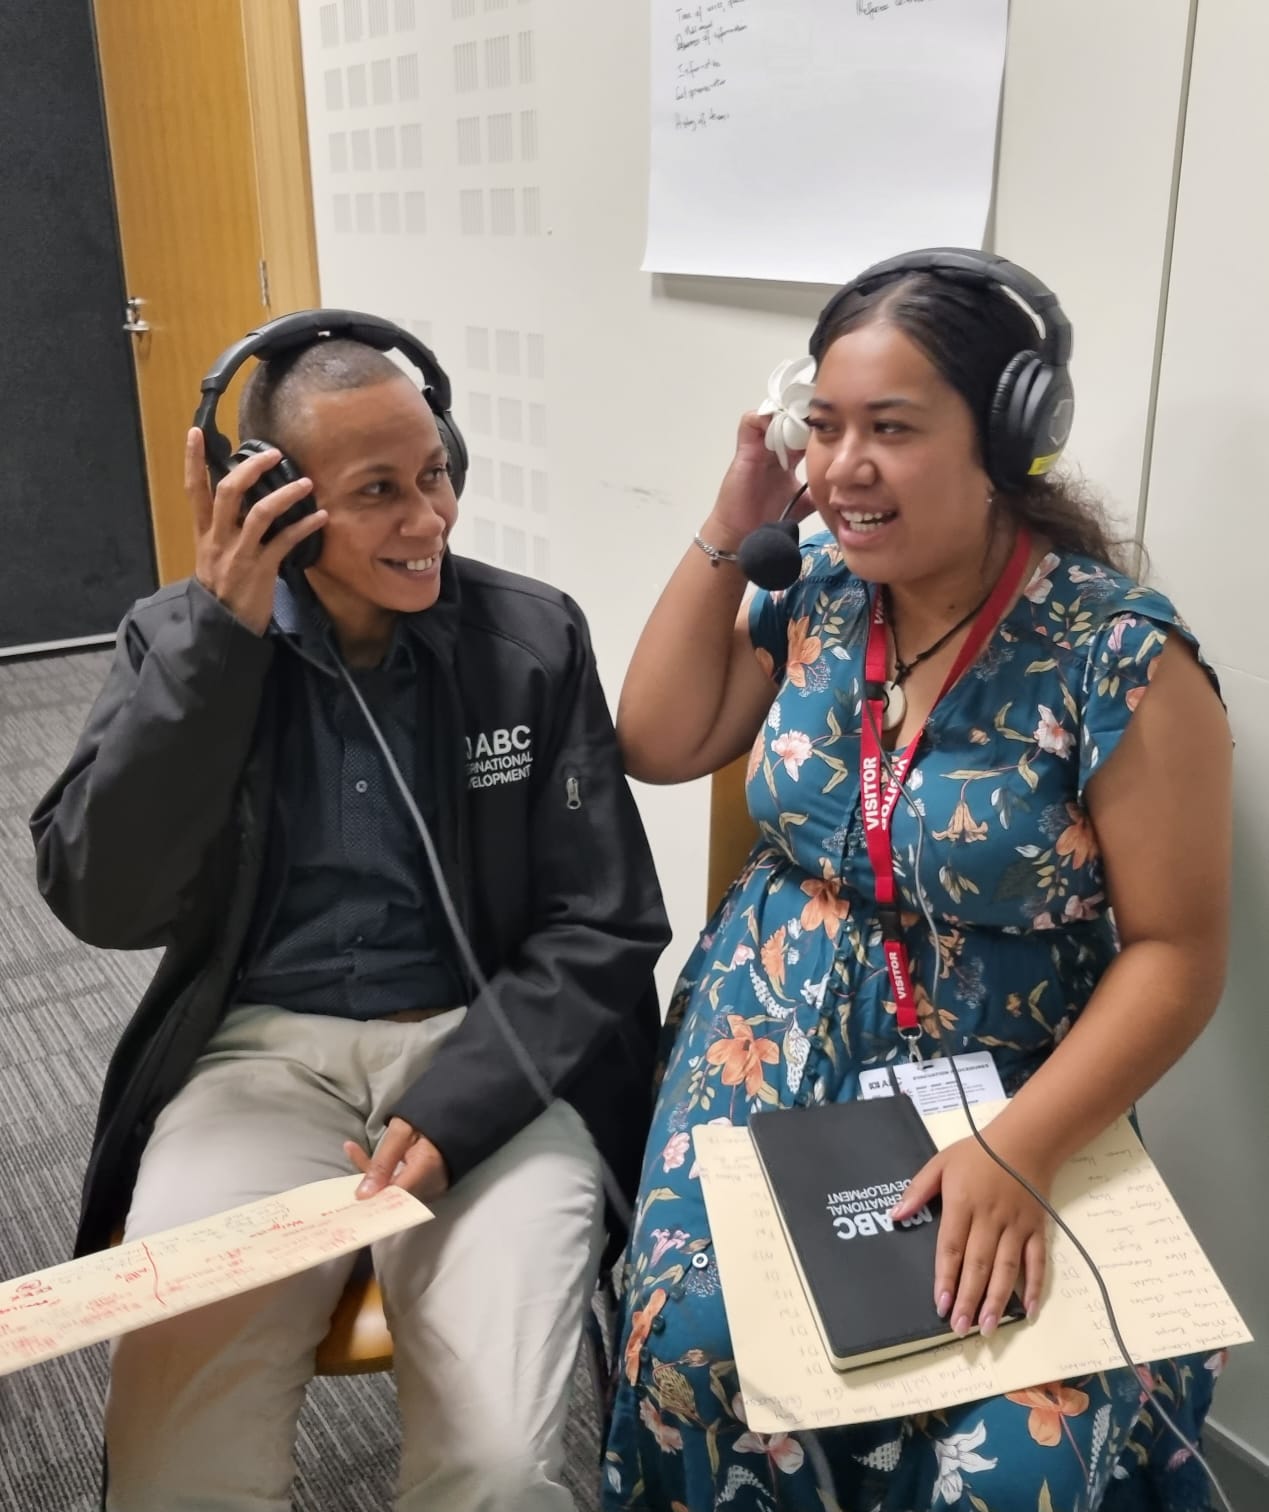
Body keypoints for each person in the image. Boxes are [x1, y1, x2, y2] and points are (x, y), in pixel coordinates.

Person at [603, 252, 1232, 1511]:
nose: (843, 466)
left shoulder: (1119, 658)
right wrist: (733, 519)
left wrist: (1022, 1148)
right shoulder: (816, 591)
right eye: (825, 426)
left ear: (1009, 440)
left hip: (1013, 1084)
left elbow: (1178, 952)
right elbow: (659, 740)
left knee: (1017, 1457)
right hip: (767, 1042)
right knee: (696, 1355)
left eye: (891, 429)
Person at [30, 320, 670, 1512]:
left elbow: (606, 921)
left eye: (436, 474)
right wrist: (216, 648)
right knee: (176, 1464)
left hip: (491, 1053)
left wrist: (463, 1097)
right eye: (380, 491)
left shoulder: (530, 639)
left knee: (499, 1466)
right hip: (257, 1063)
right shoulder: (176, 642)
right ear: (271, 497)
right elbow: (101, 897)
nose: (431, 519)